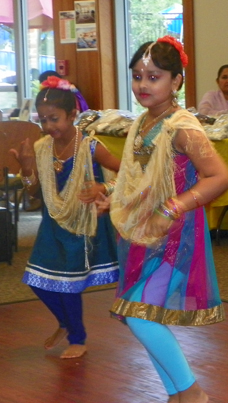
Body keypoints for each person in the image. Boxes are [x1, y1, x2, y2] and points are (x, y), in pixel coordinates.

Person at [104, 36, 228, 403]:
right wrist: (110, 193)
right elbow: (138, 177)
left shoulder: (182, 127)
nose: (143, 85)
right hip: (142, 236)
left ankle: (192, 393)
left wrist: (170, 208)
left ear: (176, 81)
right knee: (140, 315)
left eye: (154, 77)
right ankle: (177, 395)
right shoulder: (143, 122)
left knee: (140, 315)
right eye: (137, 76)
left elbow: (220, 177)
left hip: (175, 239)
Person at [9, 77, 121, 359]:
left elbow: (128, 174)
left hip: (82, 226)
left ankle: (78, 338)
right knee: (36, 280)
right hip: (52, 223)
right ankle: (65, 322)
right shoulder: (41, 148)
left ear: (73, 115)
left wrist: (102, 187)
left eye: (54, 119)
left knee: (68, 284)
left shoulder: (91, 147)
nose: (48, 126)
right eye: (43, 120)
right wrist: (26, 168)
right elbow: (35, 193)